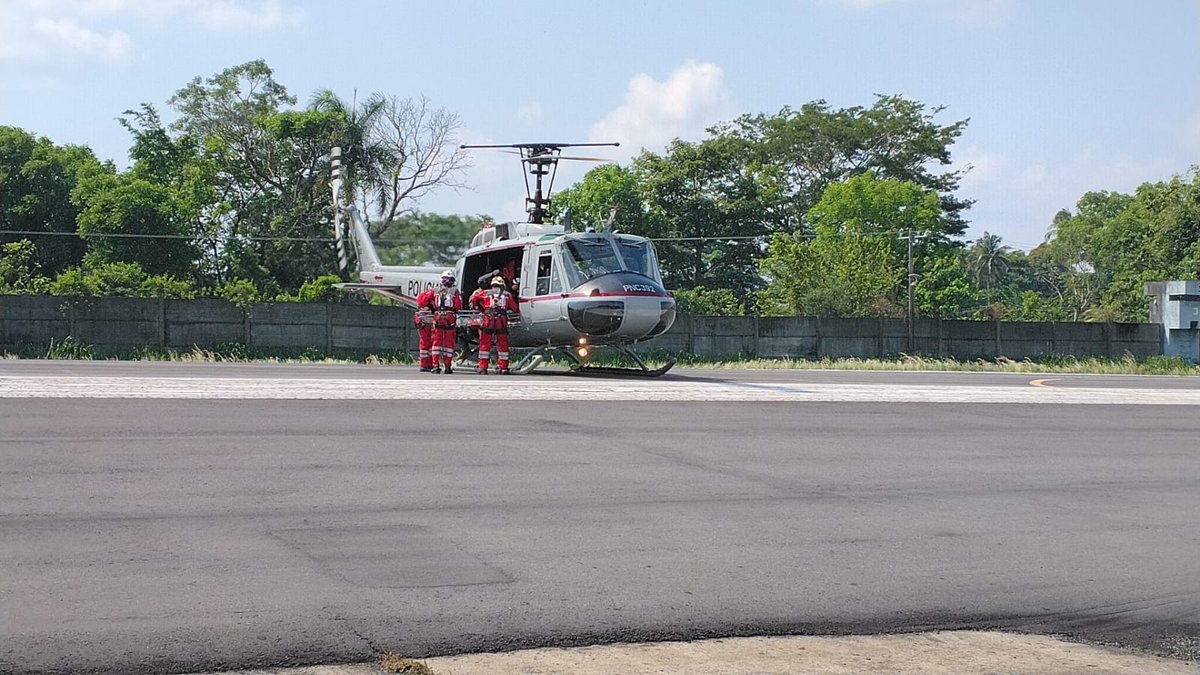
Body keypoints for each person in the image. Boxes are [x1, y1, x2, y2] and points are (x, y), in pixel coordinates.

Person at [471, 275, 519, 374]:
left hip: (488, 319)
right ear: (502, 285)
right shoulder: (507, 295)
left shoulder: (485, 293)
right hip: (501, 321)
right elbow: (515, 309)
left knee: (484, 344)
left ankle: (483, 368)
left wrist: (480, 308)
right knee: (502, 345)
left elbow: (474, 299)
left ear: (492, 285)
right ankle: (504, 368)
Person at [430, 270, 461, 374]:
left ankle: (435, 366)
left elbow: (429, 302)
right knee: (448, 344)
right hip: (449, 317)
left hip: (438, 316)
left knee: (436, 343)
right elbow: (458, 306)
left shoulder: (435, 290)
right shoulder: (455, 291)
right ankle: (447, 366)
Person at [413, 281, 437, 372]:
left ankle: (426, 364)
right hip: (426, 324)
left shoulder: (423, 300)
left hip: (423, 323)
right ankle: (427, 364)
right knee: (428, 344)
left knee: (425, 344)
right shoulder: (429, 301)